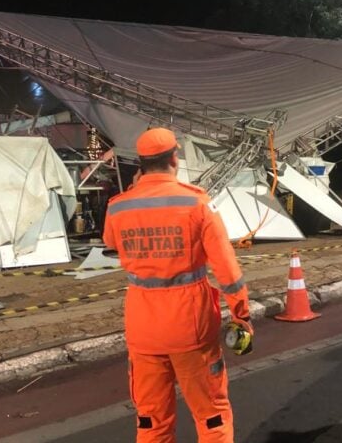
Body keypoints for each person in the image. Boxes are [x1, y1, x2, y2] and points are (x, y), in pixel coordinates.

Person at [103, 127, 253, 443]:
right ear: (175, 158)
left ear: (141, 163)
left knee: (151, 422)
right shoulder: (197, 203)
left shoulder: (118, 206)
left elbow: (111, 243)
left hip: (142, 329)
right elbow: (227, 269)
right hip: (191, 326)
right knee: (212, 418)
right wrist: (241, 315)